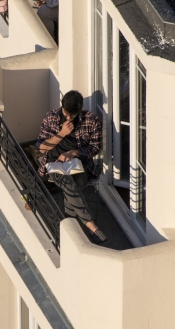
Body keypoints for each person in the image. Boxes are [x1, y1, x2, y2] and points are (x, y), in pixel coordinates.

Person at [35, 90, 108, 244]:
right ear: (62, 106)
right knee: (69, 184)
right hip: (54, 162)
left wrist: (74, 152)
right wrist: (62, 133)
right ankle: (90, 225)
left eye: (72, 116)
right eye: (66, 114)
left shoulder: (90, 119)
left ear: (79, 109)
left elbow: (95, 147)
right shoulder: (51, 118)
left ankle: (69, 226)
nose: (68, 118)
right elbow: (41, 149)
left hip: (77, 162)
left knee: (77, 184)